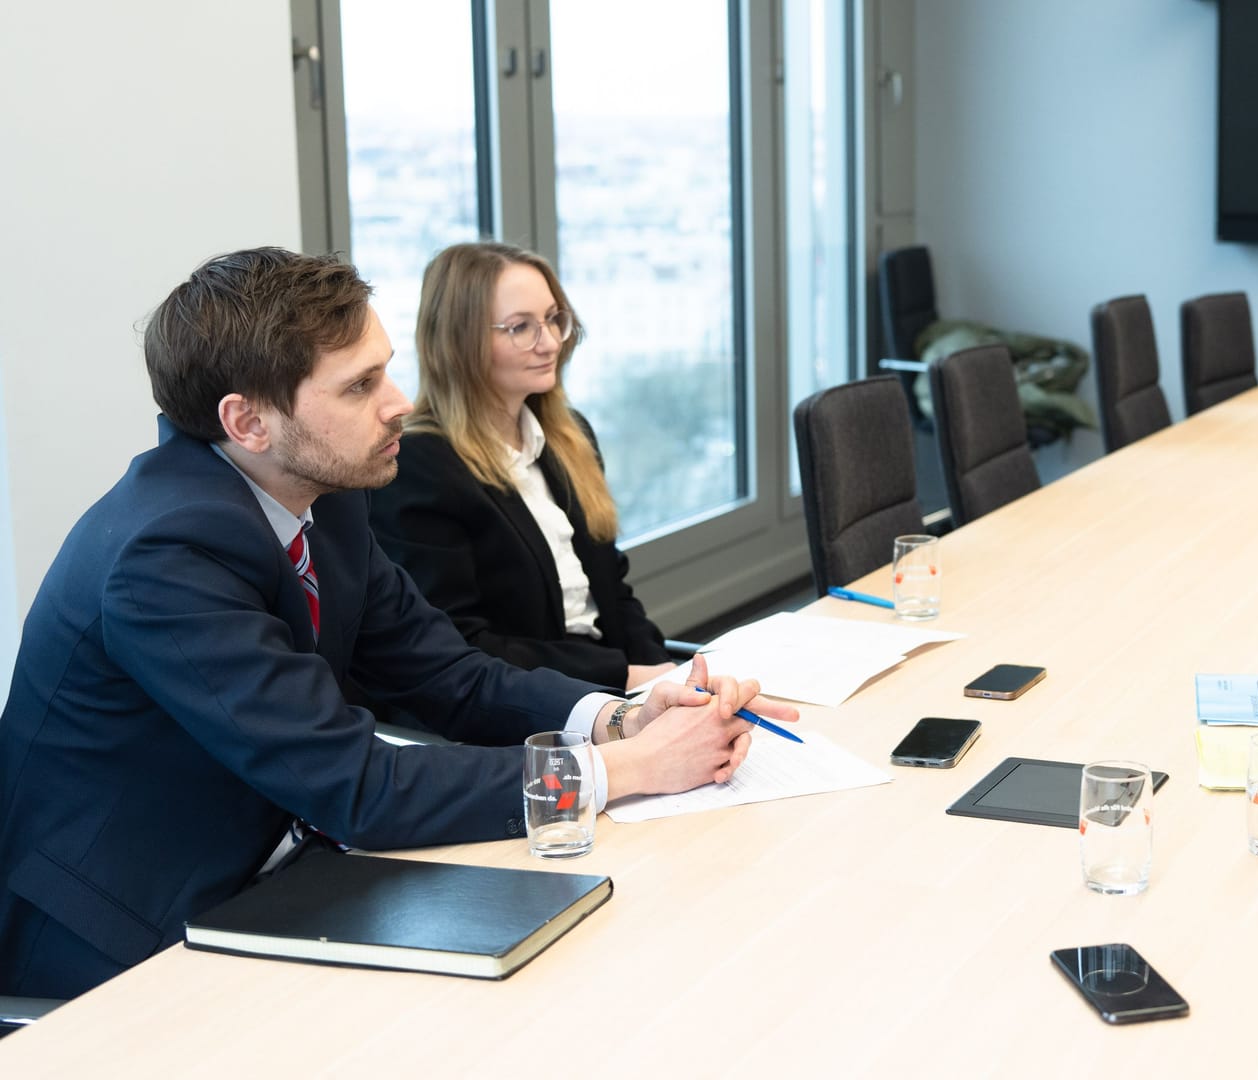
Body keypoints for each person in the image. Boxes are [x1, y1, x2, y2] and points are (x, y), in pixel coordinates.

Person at [0, 248, 798, 999]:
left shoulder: (327, 495)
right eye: (359, 386)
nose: (400, 403)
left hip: (276, 881)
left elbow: (446, 673)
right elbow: (354, 786)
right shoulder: (165, 556)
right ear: (247, 422)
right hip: (122, 944)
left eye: (386, 370)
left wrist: (619, 721)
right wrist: (632, 771)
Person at [370, 243, 671, 694]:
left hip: (618, 687)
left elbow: (614, 590)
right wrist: (626, 678)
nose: (549, 341)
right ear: (460, 341)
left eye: (553, 318)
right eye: (521, 327)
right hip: (529, 707)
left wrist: (668, 677)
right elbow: (461, 646)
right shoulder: (419, 466)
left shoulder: (569, 435)